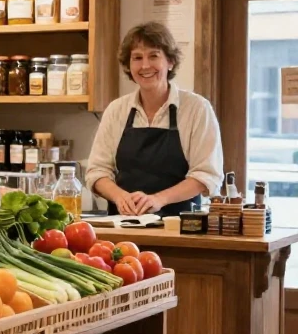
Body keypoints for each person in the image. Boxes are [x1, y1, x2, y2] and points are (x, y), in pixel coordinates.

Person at [85, 22, 223, 216]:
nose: (145, 65)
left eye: (154, 56)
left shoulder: (197, 109)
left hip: (180, 229)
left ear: (170, 61)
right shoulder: (116, 110)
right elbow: (97, 172)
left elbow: (206, 174)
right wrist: (120, 197)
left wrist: (159, 199)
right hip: (123, 228)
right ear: (128, 65)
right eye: (137, 58)